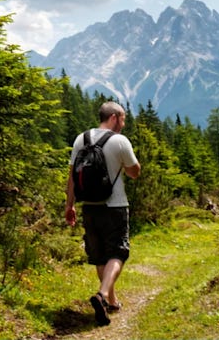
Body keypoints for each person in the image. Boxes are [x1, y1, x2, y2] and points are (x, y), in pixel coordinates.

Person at [64, 101, 141, 326]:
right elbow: (135, 172)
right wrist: (124, 165)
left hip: (89, 205)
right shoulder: (119, 141)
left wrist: (69, 205)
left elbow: (71, 176)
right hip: (114, 206)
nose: (124, 124)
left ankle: (112, 301)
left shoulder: (81, 139)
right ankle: (103, 295)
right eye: (124, 119)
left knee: (99, 255)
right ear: (115, 117)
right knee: (118, 252)